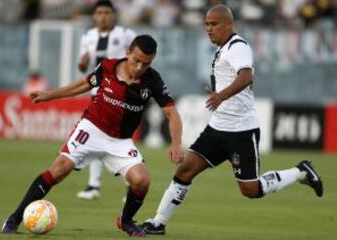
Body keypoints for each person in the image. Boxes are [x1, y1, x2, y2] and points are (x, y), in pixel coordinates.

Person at [138, 5, 324, 235]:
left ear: (229, 24)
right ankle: (158, 222)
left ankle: (300, 172)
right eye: (206, 24)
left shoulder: (238, 47)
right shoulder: (222, 49)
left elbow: (246, 76)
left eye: (214, 24)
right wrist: (218, 93)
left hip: (241, 131)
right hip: (218, 128)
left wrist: (220, 96)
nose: (209, 29)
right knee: (184, 171)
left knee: (251, 190)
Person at [1, 34, 183, 237]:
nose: (140, 67)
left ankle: (125, 221)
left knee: (142, 180)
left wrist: (176, 143)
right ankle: (14, 219)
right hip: (91, 129)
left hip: (120, 140)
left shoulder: (153, 80)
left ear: (153, 59)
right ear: (128, 53)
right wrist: (48, 95)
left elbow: (171, 114)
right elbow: (83, 84)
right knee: (59, 169)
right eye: (136, 60)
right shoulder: (108, 67)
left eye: (146, 63)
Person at [77, 0, 137, 200]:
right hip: (98, 93)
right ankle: (94, 185)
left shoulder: (126, 35)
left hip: (120, 96)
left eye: (107, 12)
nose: (103, 16)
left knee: (119, 137)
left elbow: (138, 60)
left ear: (113, 15)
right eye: (99, 13)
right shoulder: (88, 37)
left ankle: (130, 184)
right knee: (97, 138)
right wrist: (82, 63)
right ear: (94, 16)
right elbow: (82, 66)